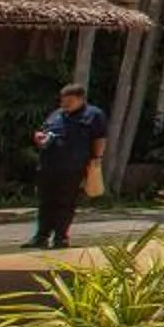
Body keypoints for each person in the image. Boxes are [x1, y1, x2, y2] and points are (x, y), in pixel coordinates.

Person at [28, 82, 107, 251]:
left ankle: (60, 237)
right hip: (48, 166)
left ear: (80, 99)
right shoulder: (56, 114)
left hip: (72, 166)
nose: (65, 105)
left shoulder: (93, 114)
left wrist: (96, 159)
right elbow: (41, 131)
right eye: (63, 101)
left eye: (69, 102)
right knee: (45, 202)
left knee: (64, 202)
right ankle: (41, 237)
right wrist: (39, 137)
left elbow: (99, 138)